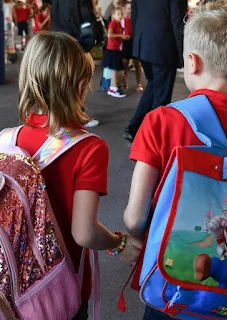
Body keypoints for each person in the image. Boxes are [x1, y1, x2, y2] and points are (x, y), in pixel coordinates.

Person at [123, 2, 227, 319]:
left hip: (175, 285)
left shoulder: (161, 121)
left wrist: (132, 239)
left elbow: (135, 217)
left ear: (191, 62)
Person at [16, 31, 142, 320]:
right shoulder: (88, 148)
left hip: (12, 286)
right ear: (82, 86)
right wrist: (119, 244)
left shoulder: (7, 141)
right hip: (57, 288)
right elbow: (84, 232)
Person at [124, 0, 188, 144]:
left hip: (143, 45)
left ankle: (134, 127)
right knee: (162, 94)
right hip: (163, 47)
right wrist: (184, 52)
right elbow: (178, 21)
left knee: (153, 86)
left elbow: (134, 15)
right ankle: (151, 138)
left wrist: (138, 43)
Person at [50, 0, 100, 128]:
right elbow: (85, 13)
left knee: (61, 77)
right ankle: (78, 115)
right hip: (76, 38)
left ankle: (60, 114)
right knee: (78, 78)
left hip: (58, 36)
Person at [102, 6, 128, 98]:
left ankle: (115, 86)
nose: (120, 16)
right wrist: (121, 36)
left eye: (121, 14)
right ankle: (113, 88)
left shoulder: (119, 24)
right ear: (113, 15)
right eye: (118, 14)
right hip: (112, 50)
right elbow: (110, 34)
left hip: (117, 50)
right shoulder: (113, 23)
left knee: (118, 70)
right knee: (115, 70)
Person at [121, 1, 143, 92]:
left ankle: (139, 83)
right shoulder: (122, 20)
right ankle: (124, 83)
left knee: (137, 65)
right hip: (126, 43)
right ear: (125, 10)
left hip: (135, 42)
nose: (130, 11)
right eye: (128, 9)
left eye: (131, 9)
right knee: (124, 65)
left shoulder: (137, 20)